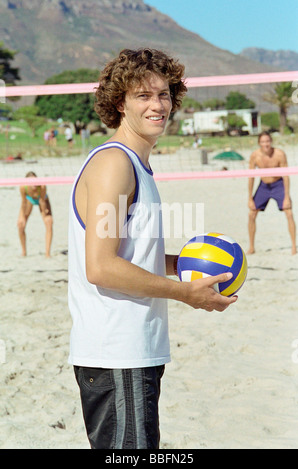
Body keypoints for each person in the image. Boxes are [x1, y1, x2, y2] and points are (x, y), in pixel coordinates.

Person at [68, 48, 237, 450]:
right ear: (119, 103)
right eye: (143, 95)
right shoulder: (115, 164)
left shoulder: (134, 164)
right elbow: (101, 267)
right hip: (118, 351)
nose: (157, 104)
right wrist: (185, 293)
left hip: (130, 350)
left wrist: (181, 264)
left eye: (164, 94)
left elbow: (123, 252)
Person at [248, 131, 297, 255]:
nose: (266, 144)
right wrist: (250, 198)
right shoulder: (255, 155)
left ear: (271, 141)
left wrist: (286, 196)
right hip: (263, 186)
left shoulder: (279, 154)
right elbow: (250, 177)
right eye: (263, 141)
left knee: (289, 213)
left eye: (268, 141)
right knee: (251, 214)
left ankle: (293, 246)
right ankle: (252, 247)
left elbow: (286, 176)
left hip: (278, 184)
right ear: (259, 143)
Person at [17, 171, 53, 258]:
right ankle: (24, 252)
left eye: (34, 181)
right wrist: (22, 217)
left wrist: (45, 214)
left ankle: (47, 253)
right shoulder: (23, 187)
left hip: (42, 200)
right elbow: (23, 203)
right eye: (30, 182)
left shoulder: (42, 187)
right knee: (20, 224)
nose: (33, 183)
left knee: (49, 222)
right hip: (29, 200)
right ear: (26, 183)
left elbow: (42, 201)